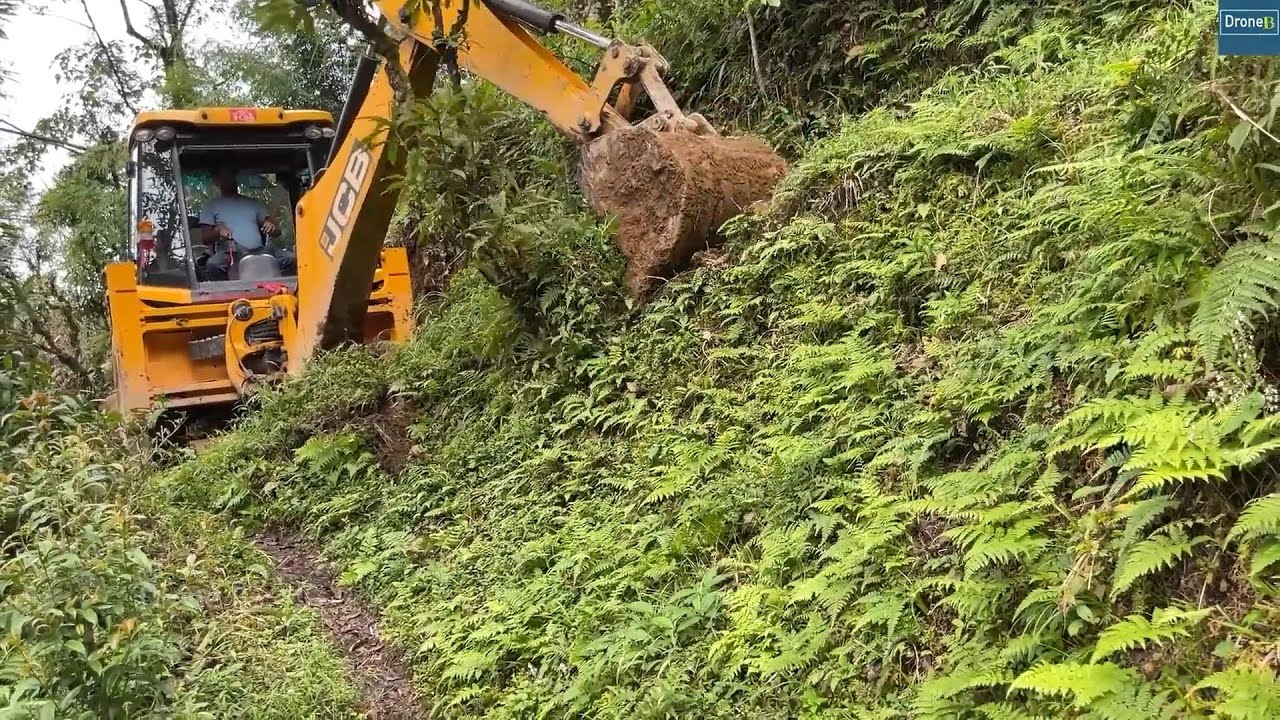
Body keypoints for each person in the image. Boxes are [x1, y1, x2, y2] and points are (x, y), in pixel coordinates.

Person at [198, 167, 295, 279]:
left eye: (230, 175)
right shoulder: (210, 206)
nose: (228, 179)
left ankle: (283, 288)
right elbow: (205, 238)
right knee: (213, 265)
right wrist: (218, 232)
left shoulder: (252, 203)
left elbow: (277, 231)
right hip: (230, 254)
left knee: (292, 259)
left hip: (261, 251)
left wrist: (270, 225)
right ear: (216, 181)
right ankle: (229, 293)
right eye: (224, 176)